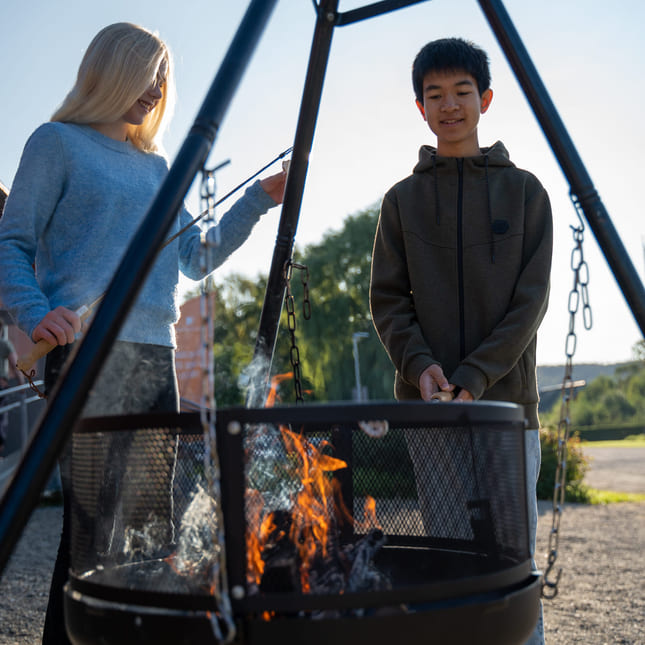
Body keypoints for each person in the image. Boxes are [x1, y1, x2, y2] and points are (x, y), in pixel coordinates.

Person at [0, 22, 286, 644]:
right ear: (110, 70)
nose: (156, 89)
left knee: (148, 540)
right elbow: (12, 243)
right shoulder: (56, 143)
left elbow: (198, 257)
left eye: (164, 78)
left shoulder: (157, 168)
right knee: (93, 539)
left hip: (157, 360)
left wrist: (261, 198)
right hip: (86, 360)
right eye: (146, 73)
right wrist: (31, 312)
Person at [369, 38, 552, 645]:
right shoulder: (401, 203)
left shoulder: (527, 194)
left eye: (462, 92)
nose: (449, 105)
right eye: (435, 95)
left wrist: (476, 375)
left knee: (511, 557)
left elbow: (531, 305)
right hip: (433, 411)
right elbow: (389, 303)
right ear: (420, 108)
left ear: (487, 99)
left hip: (506, 410)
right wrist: (420, 367)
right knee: (448, 556)